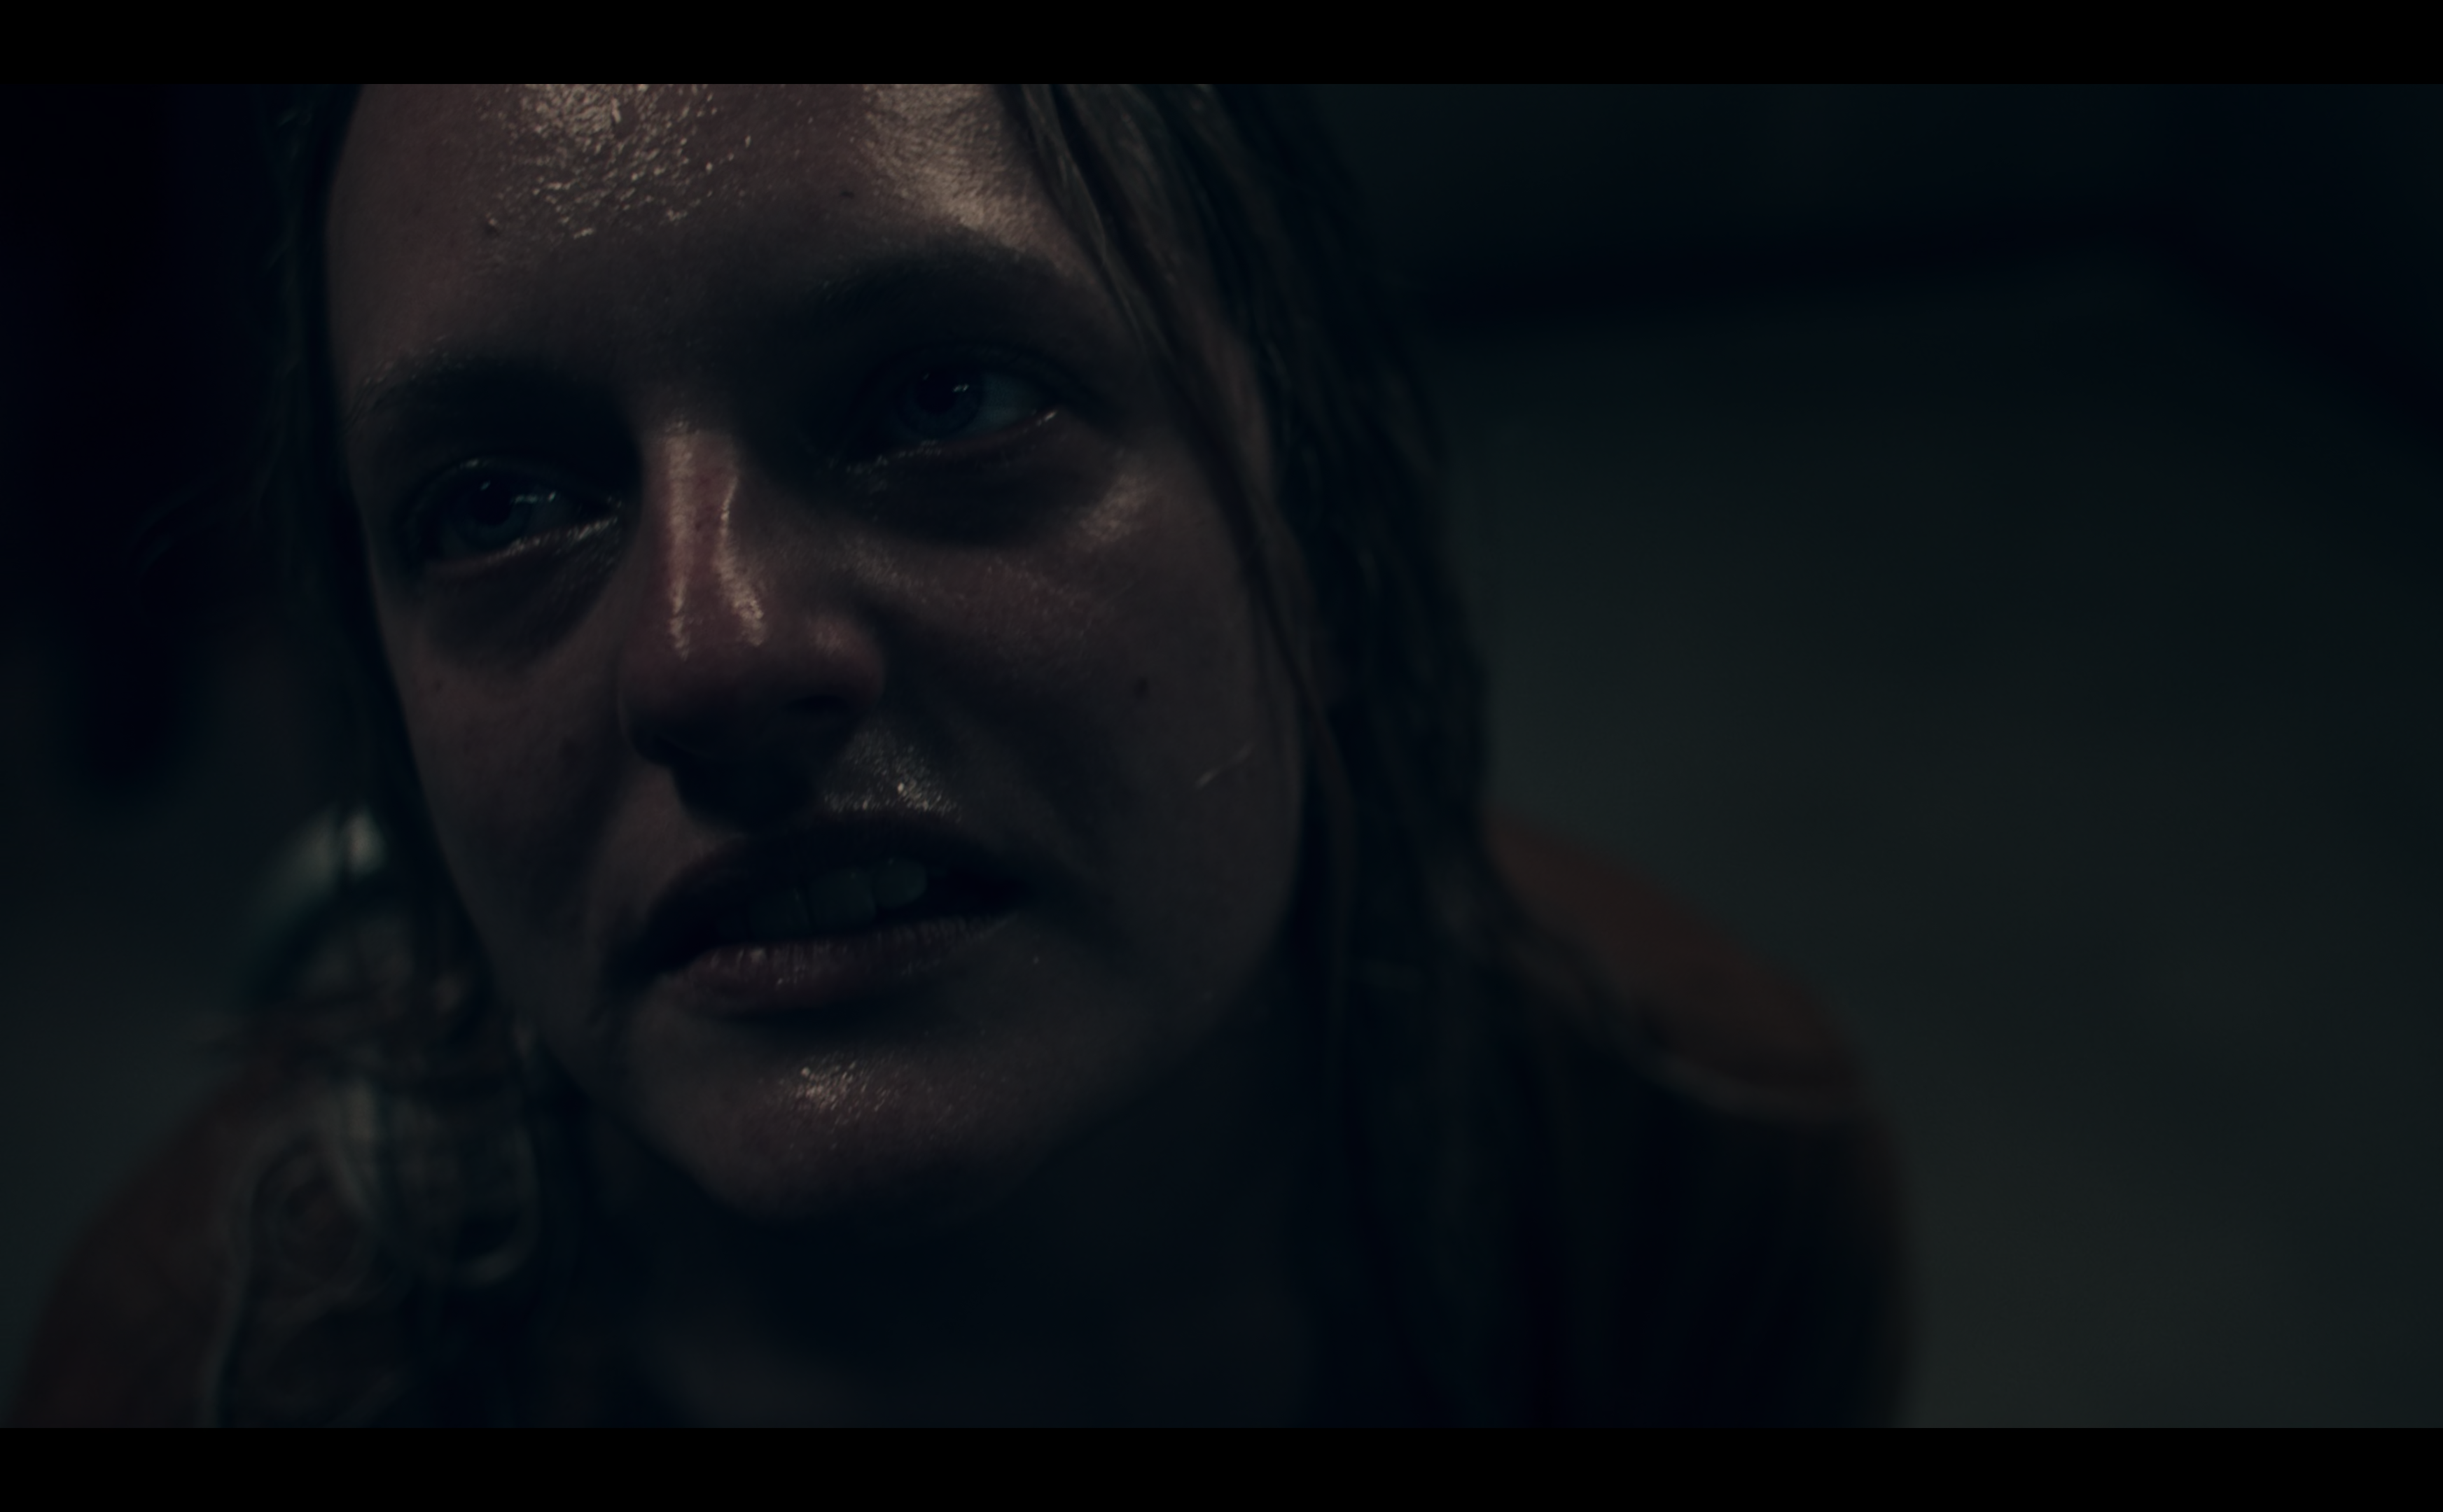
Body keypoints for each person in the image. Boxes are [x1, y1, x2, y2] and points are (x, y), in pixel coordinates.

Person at [13, 85, 1902, 1426]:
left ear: (1314, 519)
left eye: (945, 397)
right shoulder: (213, 1376)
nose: (708, 655)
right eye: (495, 506)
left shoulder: (1674, 1185)